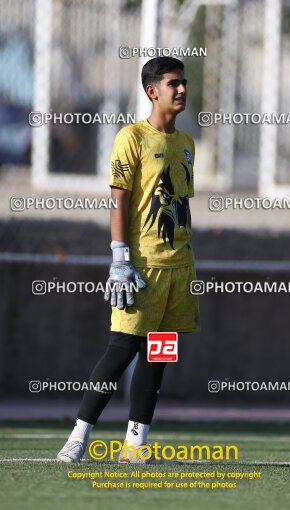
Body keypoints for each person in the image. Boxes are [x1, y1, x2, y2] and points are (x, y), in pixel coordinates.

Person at [57, 56, 200, 464]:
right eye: (174, 83)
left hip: (178, 268)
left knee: (159, 354)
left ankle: (135, 447)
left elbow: (180, 204)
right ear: (152, 91)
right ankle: (78, 438)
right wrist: (120, 258)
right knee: (120, 349)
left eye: (184, 82)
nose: (182, 90)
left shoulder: (187, 144)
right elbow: (118, 199)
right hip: (140, 267)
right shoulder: (131, 138)